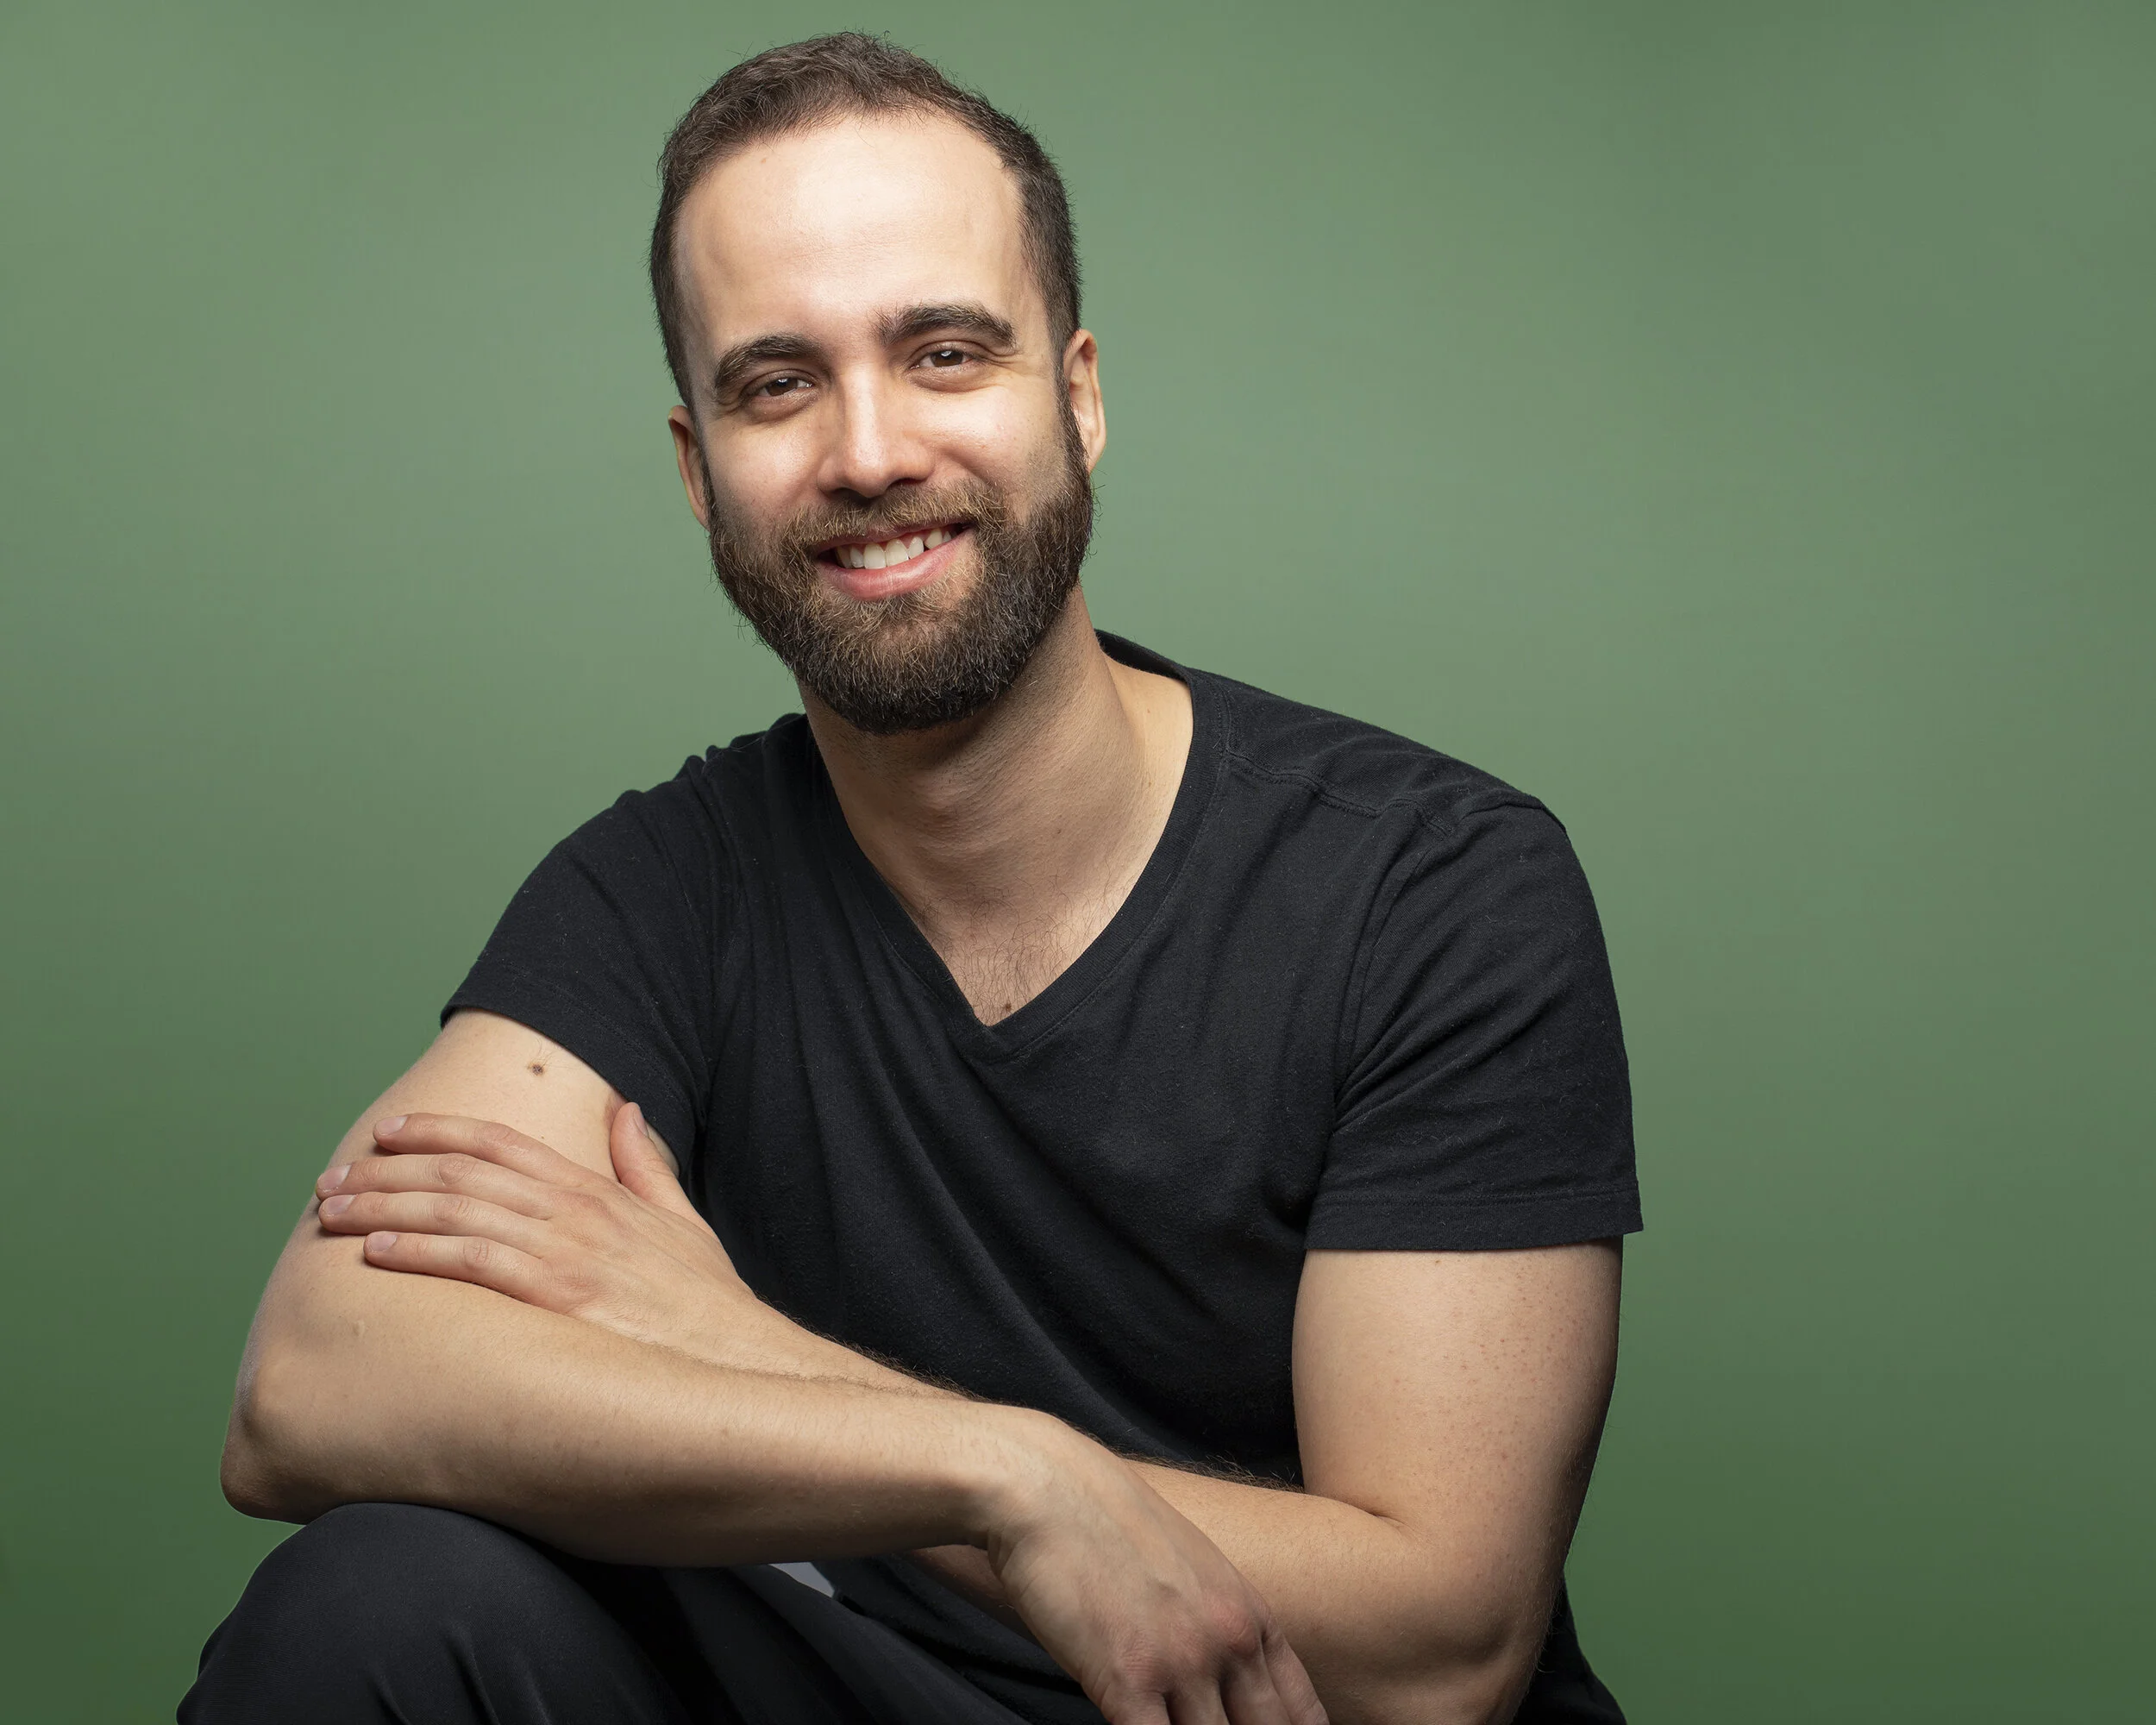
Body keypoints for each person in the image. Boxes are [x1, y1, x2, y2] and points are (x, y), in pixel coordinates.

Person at [183, 33, 1640, 1725]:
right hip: (841, 1686)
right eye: (776, 384)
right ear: (697, 472)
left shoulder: (1429, 888)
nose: (867, 451)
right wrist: (1005, 1476)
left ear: (1077, 395)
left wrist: (734, 1342)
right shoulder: (666, 889)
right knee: (382, 1602)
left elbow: (1437, 1646)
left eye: (943, 352)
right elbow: (309, 1384)